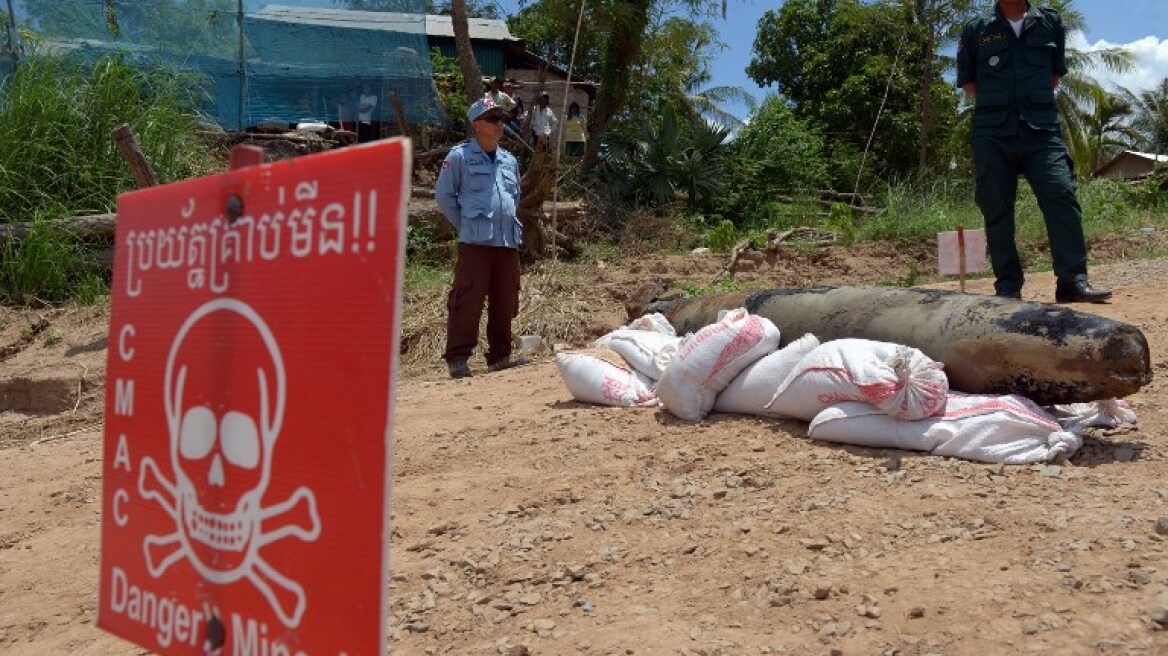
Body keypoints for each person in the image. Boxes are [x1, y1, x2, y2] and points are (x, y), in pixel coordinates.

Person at [956, 0, 1111, 303]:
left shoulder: (1049, 22)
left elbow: (1055, 75)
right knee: (997, 207)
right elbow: (969, 83)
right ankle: (1008, 286)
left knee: (1062, 195)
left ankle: (1072, 281)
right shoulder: (977, 29)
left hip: (1041, 129)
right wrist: (1003, 105)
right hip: (993, 132)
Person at [435, 98, 528, 378]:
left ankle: (500, 356)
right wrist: (466, 225)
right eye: (493, 119)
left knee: (506, 298)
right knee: (467, 299)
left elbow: (515, 198)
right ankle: (458, 359)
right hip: (475, 243)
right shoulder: (459, 157)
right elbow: (444, 197)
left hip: (506, 241)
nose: (500, 124)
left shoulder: (509, 160)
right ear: (477, 125)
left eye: (501, 119)